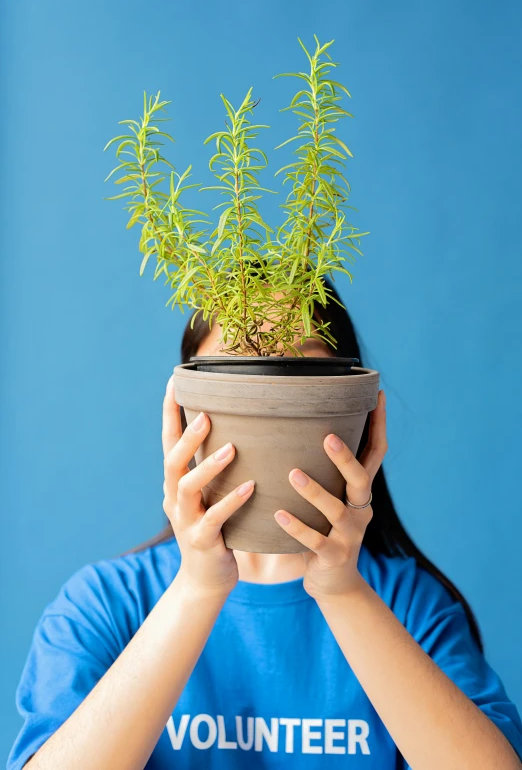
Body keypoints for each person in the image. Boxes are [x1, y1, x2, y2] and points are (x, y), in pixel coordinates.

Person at [7, 277, 522, 770]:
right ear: (184, 409)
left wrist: (342, 592)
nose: (271, 391)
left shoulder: (411, 606)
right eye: (238, 370)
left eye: (303, 369)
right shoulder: (107, 604)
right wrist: (196, 588)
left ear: (355, 407)